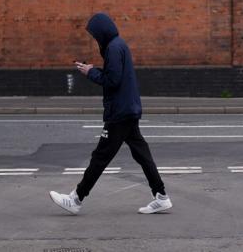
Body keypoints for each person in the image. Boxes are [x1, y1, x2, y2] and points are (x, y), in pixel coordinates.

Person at [49, 12, 172, 215]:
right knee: (141, 154)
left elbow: (112, 80)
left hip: (120, 113)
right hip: (128, 108)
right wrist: (94, 69)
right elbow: (115, 76)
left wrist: (91, 73)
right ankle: (161, 196)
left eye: (95, 35)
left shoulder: (114, 48)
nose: (95, 39)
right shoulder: (118, 45)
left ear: (102, 32)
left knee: (100, 157)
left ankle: (76, 199)